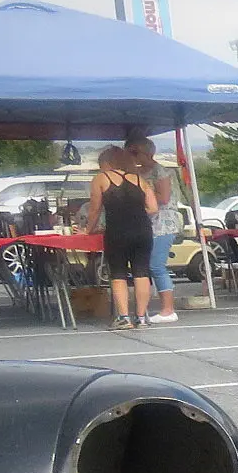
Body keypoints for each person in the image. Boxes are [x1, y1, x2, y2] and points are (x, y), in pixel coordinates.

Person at [87, 146, 157, 328]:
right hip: (143, 231)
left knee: (118, 273)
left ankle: (124, 317)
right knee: (141, 272)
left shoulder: (102, 179)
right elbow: (153, 208)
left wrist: (87, 229)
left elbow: (94, 209)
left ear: (107, 163)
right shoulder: (140, 180)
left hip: (117, 231)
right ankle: (141, 318)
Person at [126, 135, 182, 323]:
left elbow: (164, 198)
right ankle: (151, 306)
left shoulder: (160, 171)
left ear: (147, 153)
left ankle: (168, 309)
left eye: (134, 152)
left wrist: (141, 197)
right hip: (147, 224)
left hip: (163, 223)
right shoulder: (139, 174)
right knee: (147, 266)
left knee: (156, 265)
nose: (131, 156)